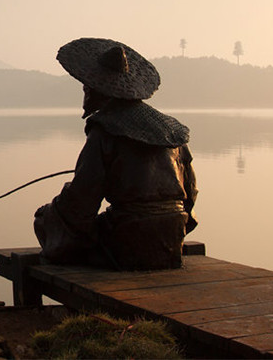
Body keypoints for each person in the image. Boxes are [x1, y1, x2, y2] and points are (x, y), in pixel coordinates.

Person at [34, 37, 197, 270]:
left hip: (127, 242)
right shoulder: (170, 131)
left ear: (96, 90)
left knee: (44, 220)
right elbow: (190, 195)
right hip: (172, 237)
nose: (85, 93)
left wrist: (53, 211)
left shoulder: (104, 131)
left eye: (86, 88)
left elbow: (81, 205)